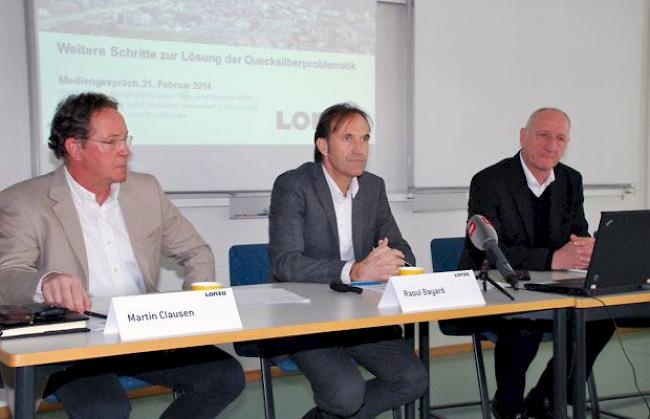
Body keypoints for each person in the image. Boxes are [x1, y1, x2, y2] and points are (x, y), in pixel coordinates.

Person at [0, 92, 245, 419]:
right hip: (74, 341)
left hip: (141, 330)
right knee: (107, 408)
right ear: (75, 147)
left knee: (225, 376)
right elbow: (7, 276)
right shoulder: (24, 201)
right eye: (112, 141)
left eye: (126, 138)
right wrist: (46, 282)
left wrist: (196, 309)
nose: (126, 150)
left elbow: (195, 250)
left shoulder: (146, 190)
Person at [268, 103, 428, 418]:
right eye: (348, 139)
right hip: (306, 319)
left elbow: (403, 250)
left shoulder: (373, 186)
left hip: (358, 315)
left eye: (365, 139)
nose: (359, 149)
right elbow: (285, 263)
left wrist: (391, 260)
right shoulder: (293, 185)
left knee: (413, 379)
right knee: (346, 392)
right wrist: (353, 270)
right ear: (323, 145)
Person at [457, 108, 615, 419]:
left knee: (601, 319)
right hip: (497, 287)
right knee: (525, 325)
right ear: (523, 136)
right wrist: (555, 257)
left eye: (560, 138)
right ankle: (509, 406)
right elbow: (492, 251)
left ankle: (545, 397)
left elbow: (576, 234)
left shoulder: (571, 180)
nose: (551, 145)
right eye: (543, 135)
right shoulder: (489, 181)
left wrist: (585, 249)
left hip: (553, 286)